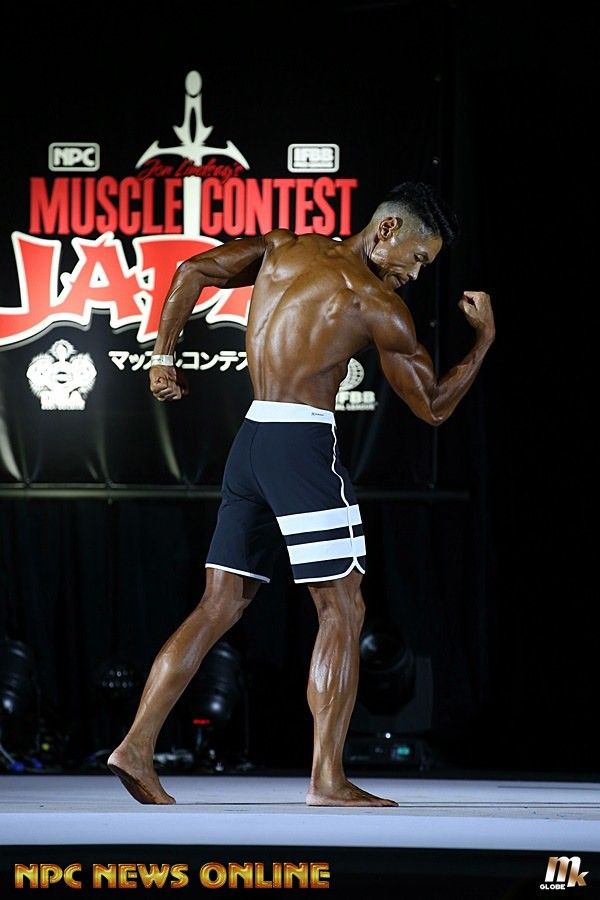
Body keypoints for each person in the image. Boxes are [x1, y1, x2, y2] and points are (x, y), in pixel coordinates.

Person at [107, 181, 495, 807]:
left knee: (219, 603)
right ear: (388, 229)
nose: (416, 274)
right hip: (302, 448)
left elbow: (193, 269)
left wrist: (162, 355)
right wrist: (483, 342)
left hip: (251, 440)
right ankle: (327, 778)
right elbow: (432, 406)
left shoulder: (284, 247)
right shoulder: (374, 302)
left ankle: (135, 746)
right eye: (419, 257)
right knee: (343, 608)